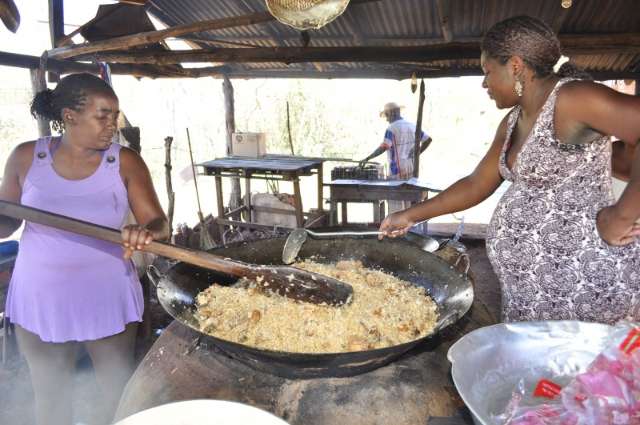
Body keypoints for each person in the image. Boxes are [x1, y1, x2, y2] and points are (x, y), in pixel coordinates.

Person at [379, 16, 640, 325]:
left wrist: (621, 215)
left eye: (488, 72)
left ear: (515, 66)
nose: (484, 83)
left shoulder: (572, 99)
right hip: (531, 297)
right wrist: (410, 215)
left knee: (582, 373)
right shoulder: (514, 120)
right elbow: (477, 183)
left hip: (585, 288)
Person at [0, 73, 169, 425]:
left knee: (116, 397)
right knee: (51, 401)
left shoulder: (124, 162)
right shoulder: (25, 157)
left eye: (115, 115)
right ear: (70, 116)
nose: (113, 124)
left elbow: (160, 225)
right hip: (40, 299)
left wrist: (143, 232)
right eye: (103, 115)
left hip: (106, 297)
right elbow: (7, 223)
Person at [359, 102, 433, 212]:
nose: (386, 119)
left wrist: (368, 158)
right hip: (412, 168)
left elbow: (384, 147)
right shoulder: (411, 126)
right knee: (410, 201)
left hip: (397, 170)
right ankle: (410, 226)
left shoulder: (391, 129)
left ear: (391, 114)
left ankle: (397, 227)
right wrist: (417, 153)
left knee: (396, 203)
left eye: (387, 116)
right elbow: (428, 140)